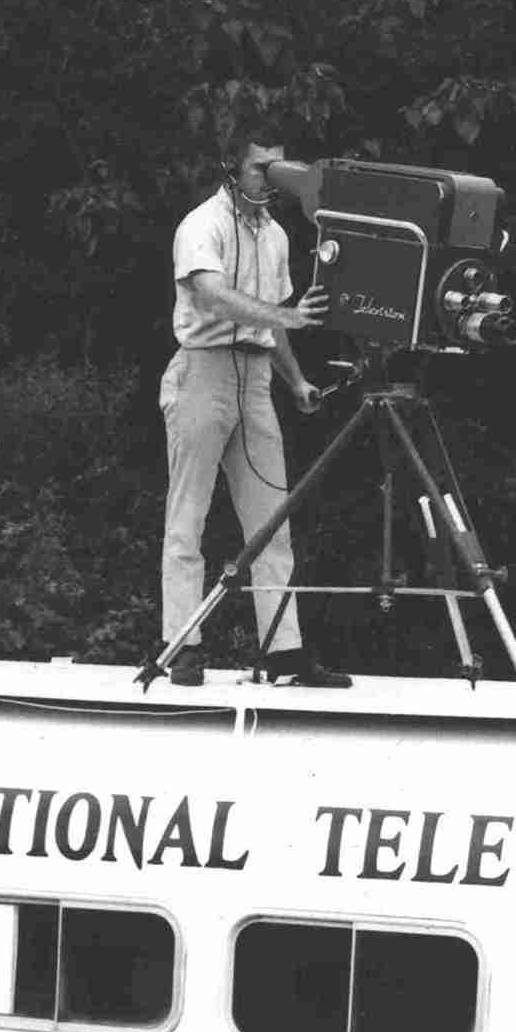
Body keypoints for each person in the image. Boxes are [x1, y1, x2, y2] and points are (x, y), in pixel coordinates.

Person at [159, 126, 349, 686]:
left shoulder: (275, 236)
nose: (271, 178)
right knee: (187, 518)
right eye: (260, 167)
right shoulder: (202, 225)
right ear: (229, 169)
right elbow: (211, 293)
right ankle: (181, 644)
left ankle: (283, 651)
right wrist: (285, 317)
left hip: (256, 377)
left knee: (272, 520)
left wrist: (297, 382)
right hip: (203, 371)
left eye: (279, 168)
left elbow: (274, 315)